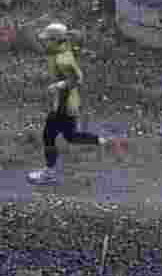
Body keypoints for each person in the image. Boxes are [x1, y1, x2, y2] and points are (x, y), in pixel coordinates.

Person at [28, 19, 125, 183]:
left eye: (47, 40)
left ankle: (48, 173)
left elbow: (76, 79)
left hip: (64, 104)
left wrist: (57, 86)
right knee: (71, 136)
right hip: (69, 103)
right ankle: (107, 142)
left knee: (48, 136)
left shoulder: (62, 59)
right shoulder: (63, 50)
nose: (44, 42)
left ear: (55, 40)